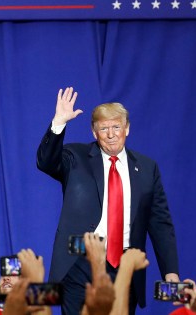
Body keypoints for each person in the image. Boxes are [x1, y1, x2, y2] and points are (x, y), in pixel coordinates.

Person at [36, 87, 179, 315]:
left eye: (116, 127)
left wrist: (170, 271)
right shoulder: (76, 157)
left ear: (127, 129)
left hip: (124, 268)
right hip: (79, 263)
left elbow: (160, 222)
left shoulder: (147, 168)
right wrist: (58, 123)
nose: (111, 134)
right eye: (104, 128)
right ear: (95, 132)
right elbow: (46, 162)